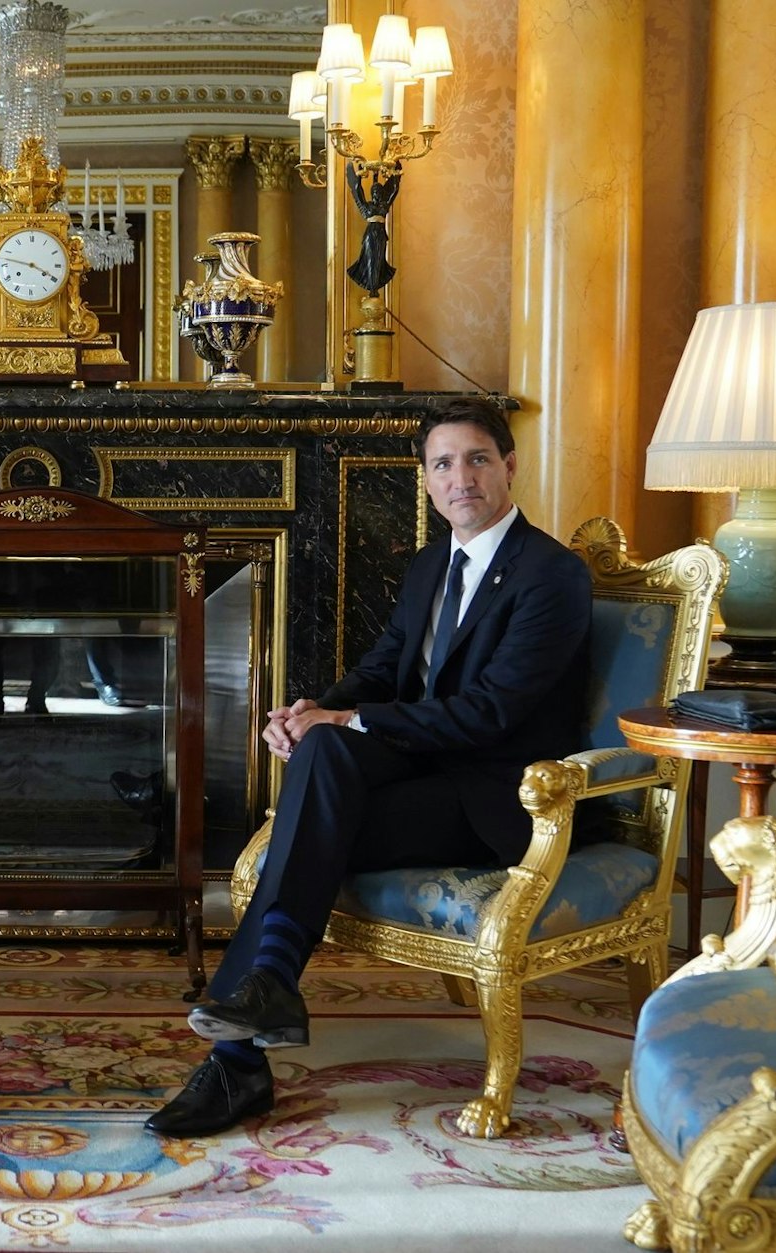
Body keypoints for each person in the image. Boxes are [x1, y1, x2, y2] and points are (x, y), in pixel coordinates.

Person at [145, 397, 592, 1138]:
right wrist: (312, 709)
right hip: (423, 777)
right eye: (442, 463)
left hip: (496, 797)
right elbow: (383, 671)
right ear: (425, 479)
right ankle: (263, 1001)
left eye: (477, 458)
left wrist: (345, 721)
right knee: (320, 754)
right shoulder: (427, 567)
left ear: (510, 466)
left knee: (311, 820)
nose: (461, 478)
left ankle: (240, 1055)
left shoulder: (552, 575)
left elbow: (490, 714)